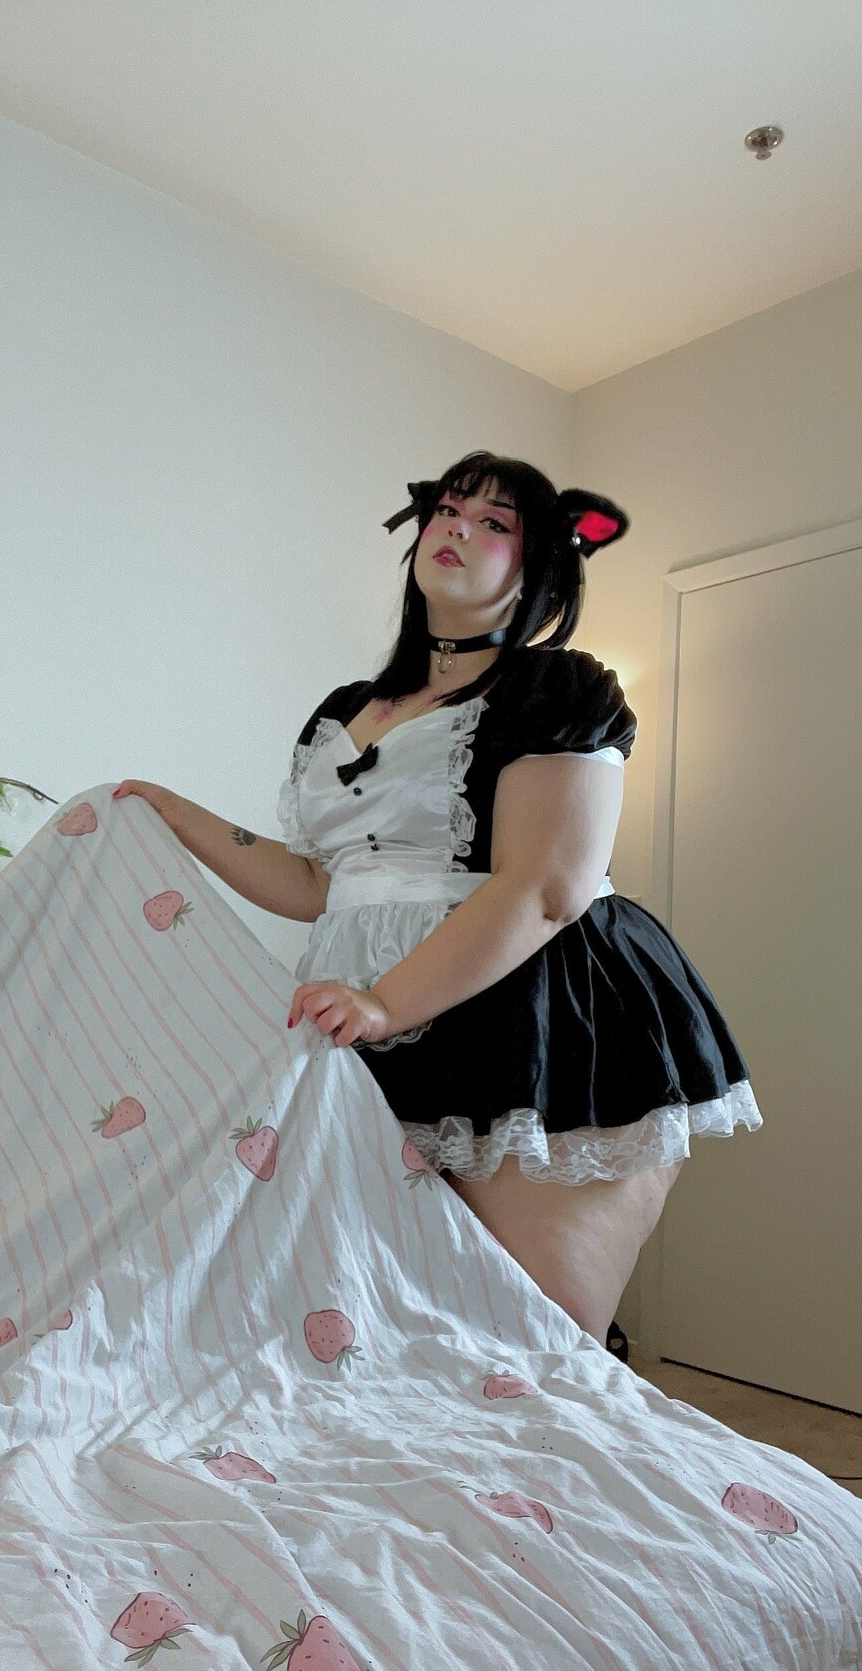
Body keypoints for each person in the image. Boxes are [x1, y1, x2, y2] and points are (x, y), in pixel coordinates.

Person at [114, 449, 762, 1352]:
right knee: (406, 1319)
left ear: (540, 569)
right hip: (368, 1014)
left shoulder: (557, 687)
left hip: (535, 1009)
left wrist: (385, 1003)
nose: (457, 528)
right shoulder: (349, 707)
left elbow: (548, 886)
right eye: (449, 510)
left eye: (495, 523)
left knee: (534, 1328)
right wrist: (171, 814)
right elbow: (323, 885)